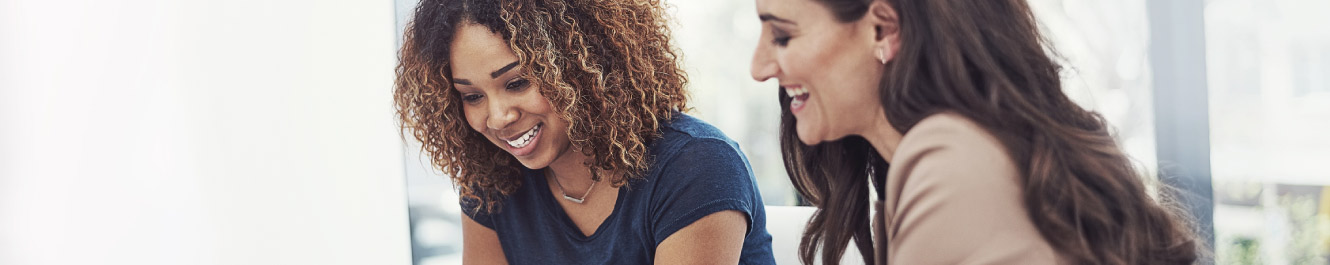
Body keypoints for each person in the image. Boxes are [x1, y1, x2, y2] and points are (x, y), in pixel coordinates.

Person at [748, 0, 1201, 264]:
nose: (759, 67)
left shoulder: (953, 167)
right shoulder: (952, 154)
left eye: (783, 35)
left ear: (883, 29)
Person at [395, 0, 777, 264]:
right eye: (472, 95)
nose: (497, 117)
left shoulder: (698, 167)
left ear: (582, 66)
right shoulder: (491, 183)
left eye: (517, 83)